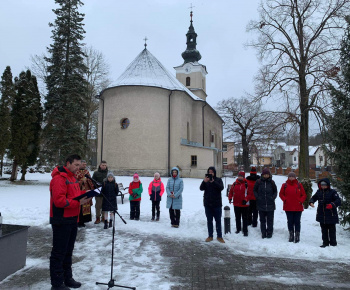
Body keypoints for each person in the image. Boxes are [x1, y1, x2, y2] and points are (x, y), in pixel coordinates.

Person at [49, 154, 92, 290]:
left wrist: (86, 195)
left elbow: (75, 196)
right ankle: (56, 284)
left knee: (68, 251)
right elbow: (59, 201)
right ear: (68, 163)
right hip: (61, 219)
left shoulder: (73, 177)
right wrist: (78, 202)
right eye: (76, 165)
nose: (78, 168)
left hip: (73, 219)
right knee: (59, 252)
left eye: (79, 165)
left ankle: (67, 278)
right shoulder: (59, 178)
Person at [309, 178, 341, 247]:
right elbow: (314, 197)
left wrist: (332, 205)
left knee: (332, 230)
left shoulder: (333, 192)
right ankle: (325, 243)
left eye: (324, 185)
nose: (323, 186)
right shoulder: (319, 192)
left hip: (331, 214)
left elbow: (338, 201)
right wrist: (311, 202)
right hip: (321, 214)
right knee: (324, 230)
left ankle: (333, 243)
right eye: (322, 185)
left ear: (328, 185)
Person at [279, 172, 307, 243]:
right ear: (288, 177)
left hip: (298, 207)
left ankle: (297, 235)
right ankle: (291, 234)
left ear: (295, 177)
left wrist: (300, 201)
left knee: (297, 221)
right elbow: (281, 194)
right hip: (288, 206)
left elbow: (304, 195)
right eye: (290, 177)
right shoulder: (284, 185)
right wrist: (285, 199)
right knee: (290, 221)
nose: (291, 178)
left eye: (293, 177)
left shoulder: (299, 185)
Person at [200, 166, 225, 243]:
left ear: (214, 173)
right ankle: (210, 236)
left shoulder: (218, 180)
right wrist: (204, 181)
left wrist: (213, 182)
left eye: (212, 172)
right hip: (208, 204)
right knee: (209, 221)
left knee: (218, 221)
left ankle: (219, 236)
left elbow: (221, 188)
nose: (210, 173)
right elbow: (201, 188)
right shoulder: (206, 181)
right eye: (209, 172)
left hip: (217, 204)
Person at [254, 168, 277, 239]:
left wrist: (272, 197)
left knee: (270, 220)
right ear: (262, 175)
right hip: (261, 204)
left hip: (270, 204)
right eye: (265, 174)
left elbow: (275, 191)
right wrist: (258, 197)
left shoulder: (272, 182)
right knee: (262, 220)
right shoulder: (258, 182)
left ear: (269, 175)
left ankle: (270, 233)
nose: (266, 176)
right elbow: (255, 190)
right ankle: (263, 233)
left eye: (267, 174)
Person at [228, 171, 250, 236]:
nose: (240, 177)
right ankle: (238, 229)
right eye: (239, 176)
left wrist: (246, 200)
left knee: (245, 218)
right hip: (236, 204)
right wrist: (230, 198)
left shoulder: (246, 184)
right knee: (237, 218)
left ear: (243, 177)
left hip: (244, 205)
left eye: (241, 176)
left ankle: (245, 230)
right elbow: (231, 192)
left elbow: (249, 194)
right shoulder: (234, 184)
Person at [75, 160, 94, 227]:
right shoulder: (76, 171)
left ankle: (84, 221)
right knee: (80, 206)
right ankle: (79, 221)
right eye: (83, 164)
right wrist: (81, 181)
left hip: (87, 190)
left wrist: (87, 180)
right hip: (79, 191)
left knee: (86, 205)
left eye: (85, 164)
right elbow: (75, 181)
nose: (84, 166)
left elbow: (90, 180)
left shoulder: (86, 172)